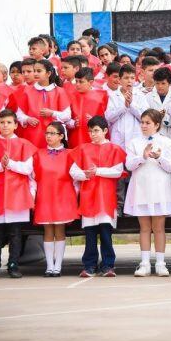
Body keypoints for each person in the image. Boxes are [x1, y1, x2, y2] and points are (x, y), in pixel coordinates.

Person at [69, 116, 127, 278]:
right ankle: (89, 266)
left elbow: (117, 171)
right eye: (90, 131)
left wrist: (98, 171)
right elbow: (73, 171)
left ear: (105, 131)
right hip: (89, 197)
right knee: (90, 234)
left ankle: (108, 265)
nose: (92, 134)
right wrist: (85, 174)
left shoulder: (114, 149)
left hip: (106, 198)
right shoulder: (83, 149)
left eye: (96, 131)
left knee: (106, 233)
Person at [0, 110, 37, 279]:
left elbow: (28, 169)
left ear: (15, 124)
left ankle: (13, 265)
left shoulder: (24, 144)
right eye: (2, 122)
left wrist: (10, 163)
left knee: (15, 233)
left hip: (18, 193)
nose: (5, 125)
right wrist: (0, 165)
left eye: (8, 122)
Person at [124, 109, 171, 277]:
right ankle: (145, 263)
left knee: (159, 227)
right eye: (142, 122)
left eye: (148, 123)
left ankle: (161, 263)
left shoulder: (167, 142)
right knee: (145, 227)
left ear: (157, 125)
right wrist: (143, 156)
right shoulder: (134, 142)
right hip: (141, 189)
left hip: (160, 189)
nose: (144, 125)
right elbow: (129, 165)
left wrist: (159, 157)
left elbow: (170, 167)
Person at [33, 122, 78, 277]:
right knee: (47, 229)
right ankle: (49, 265)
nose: (48, 136)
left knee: (59, 229)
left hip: (63, 196)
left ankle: (57, 265)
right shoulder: (38, 154)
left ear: (61, 136)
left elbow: (76, 177)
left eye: (52, 133)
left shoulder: (70, 154)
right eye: (47, 133)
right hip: (45, 195)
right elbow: (32, 176)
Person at [16, 59, 71, 148]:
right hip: (32, 135)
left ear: (48, 73)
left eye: (39, 71)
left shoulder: (60, 92)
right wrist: (27, 119)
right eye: (34, 71)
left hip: (53, 136)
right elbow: (19, 114)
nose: (35, 74)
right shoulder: (27, 91)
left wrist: (52, 113)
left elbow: (67, 115)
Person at [67, 67, 109, 148]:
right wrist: (72, 123)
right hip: (75, 137)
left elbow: (108, 118)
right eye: (76, 81)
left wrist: (95, 121)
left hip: (95, 137)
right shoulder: (71, 95)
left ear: (91, 82)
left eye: (81, 82)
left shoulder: (102, 96)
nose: (77, 84)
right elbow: (65, 118)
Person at [145, 67, 171, 139]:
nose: (160, 86)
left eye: (163, 83)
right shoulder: (148, 97)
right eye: (157, 83)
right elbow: (145, 118)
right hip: (153, 135)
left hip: (170, 135)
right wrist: (156, 116)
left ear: (170, 83)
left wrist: (164, 117)